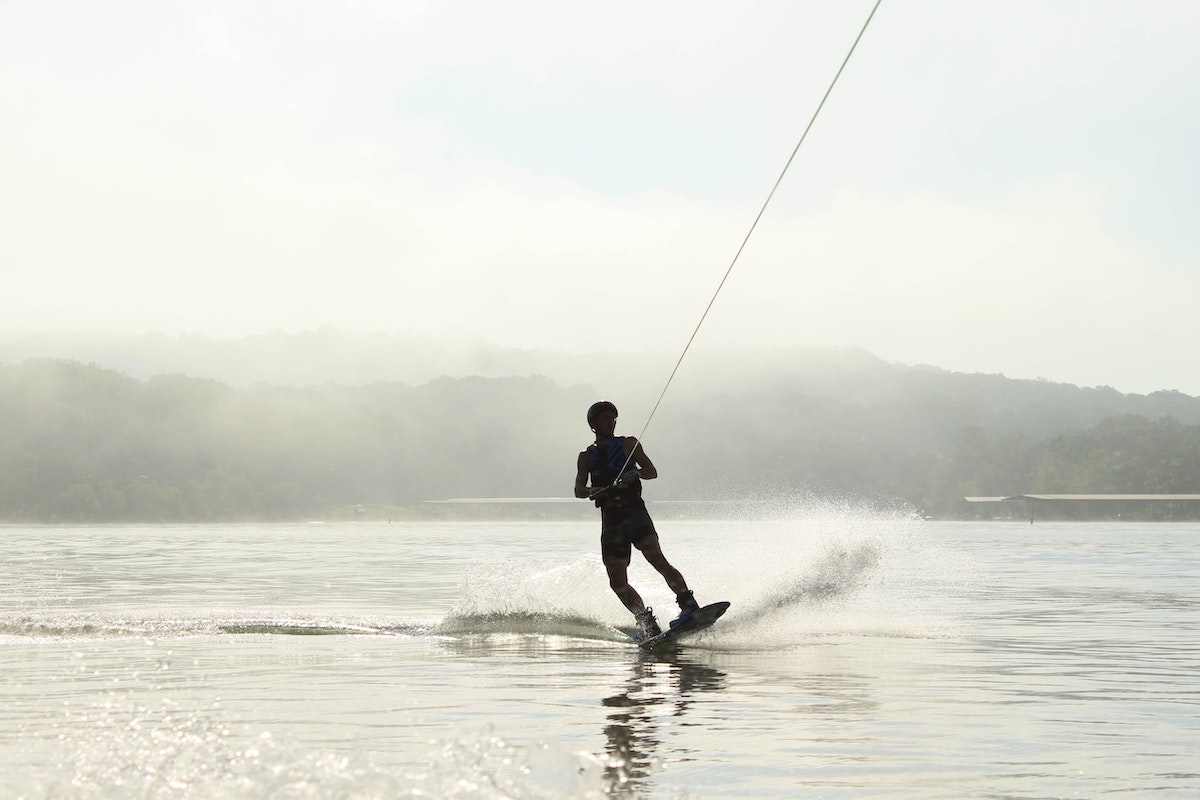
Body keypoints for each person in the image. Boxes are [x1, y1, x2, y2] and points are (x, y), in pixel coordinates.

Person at [574, 400, 700, 639]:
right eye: (603, 418)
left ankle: (688, 604)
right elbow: (578, 490)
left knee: (656, 557)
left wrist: (636, 473)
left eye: (612, 418)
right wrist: (593, 491)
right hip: (611, 521)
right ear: (593, 424)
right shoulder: (586, 456)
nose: (609, 422)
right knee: (617, 581)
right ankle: (646, 622)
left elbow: (652, 471)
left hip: (635, 513)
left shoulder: (629, 444)